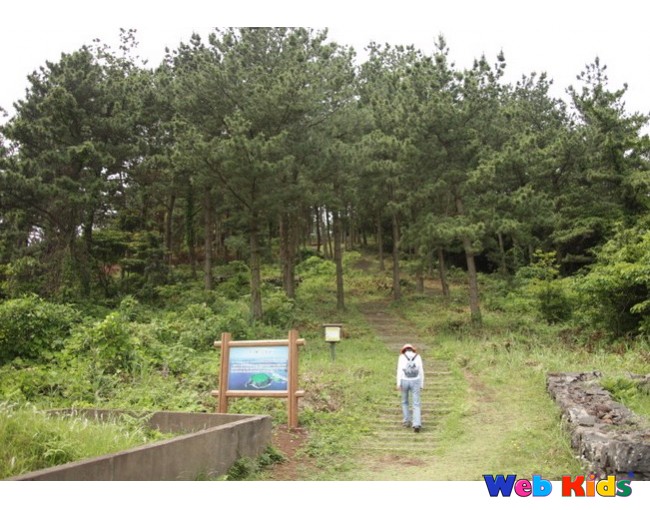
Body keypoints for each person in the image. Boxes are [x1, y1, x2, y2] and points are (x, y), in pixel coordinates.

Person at [396, 343, 424, 432]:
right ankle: (416, 424)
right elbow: (420, 370)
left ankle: (406, 421)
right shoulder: (418, 356)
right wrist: (421, 384)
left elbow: (399, 370)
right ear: (412, 349)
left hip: (404, 380)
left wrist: (398, 383)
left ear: (404, 350)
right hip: (415, 380)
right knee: (416, 403)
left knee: (404, 401)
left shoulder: (401, 357)